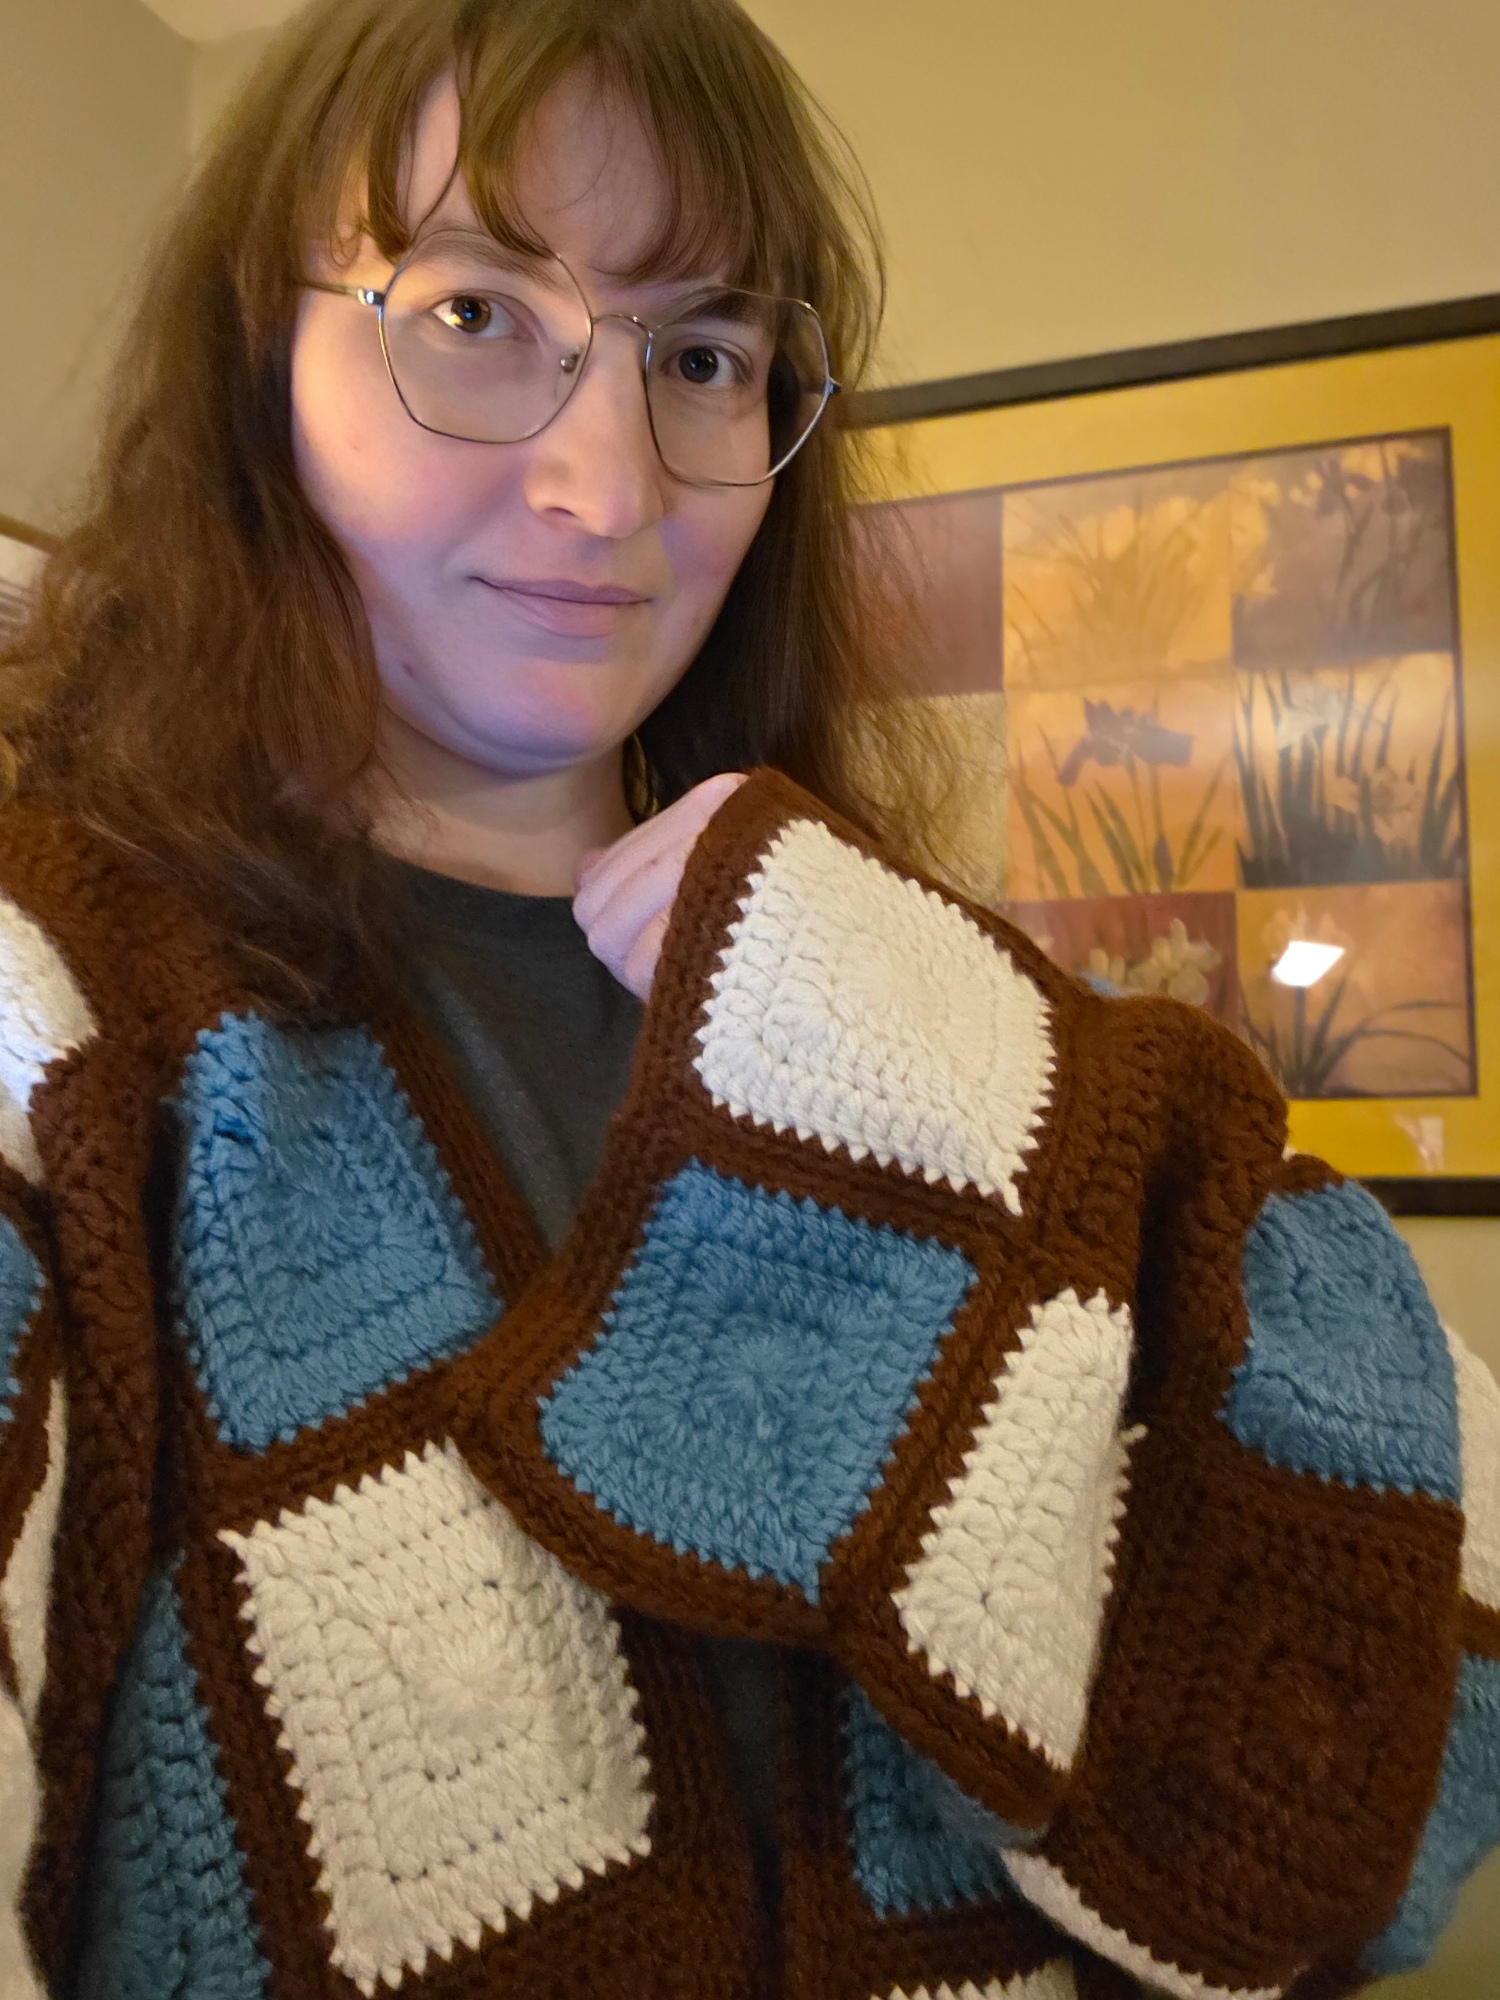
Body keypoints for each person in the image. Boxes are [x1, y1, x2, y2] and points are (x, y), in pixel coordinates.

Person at [0, 1, 1496, 1996]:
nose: (609, 481)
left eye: (702, 354)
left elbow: (1403, 1734)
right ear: (254, 371)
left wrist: (977, 1054)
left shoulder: (957, 1015)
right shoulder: (56, 1016)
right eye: (473, 314)